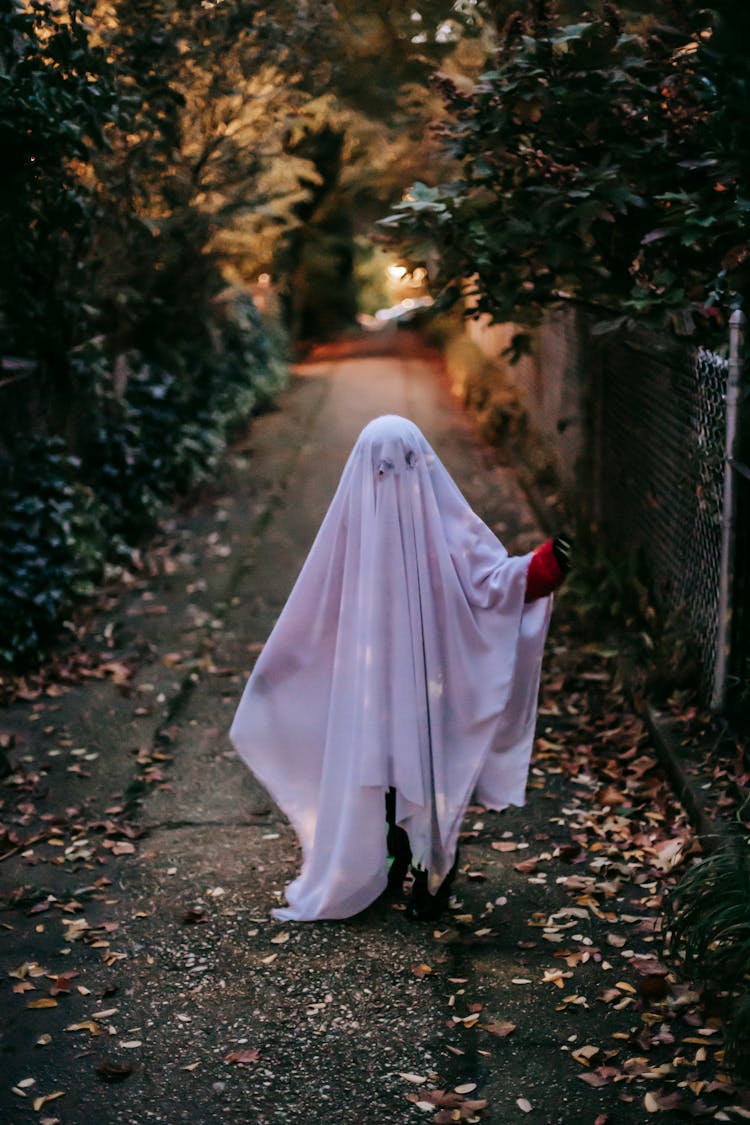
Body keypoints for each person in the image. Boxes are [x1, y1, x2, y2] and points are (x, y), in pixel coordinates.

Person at [229, 415, 569, 922]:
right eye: (381, 468)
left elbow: (489, 579)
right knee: (380, 773)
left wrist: (540, 569)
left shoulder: (444, 525)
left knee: (427, 777)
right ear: (365, 471)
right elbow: (313, 609)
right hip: (368, 687)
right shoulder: (351, 531)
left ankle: (433, 873)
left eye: (404, 464)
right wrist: (280, 671)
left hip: (429, 687)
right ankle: (388, 859)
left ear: (422, 465)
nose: (392, 477)